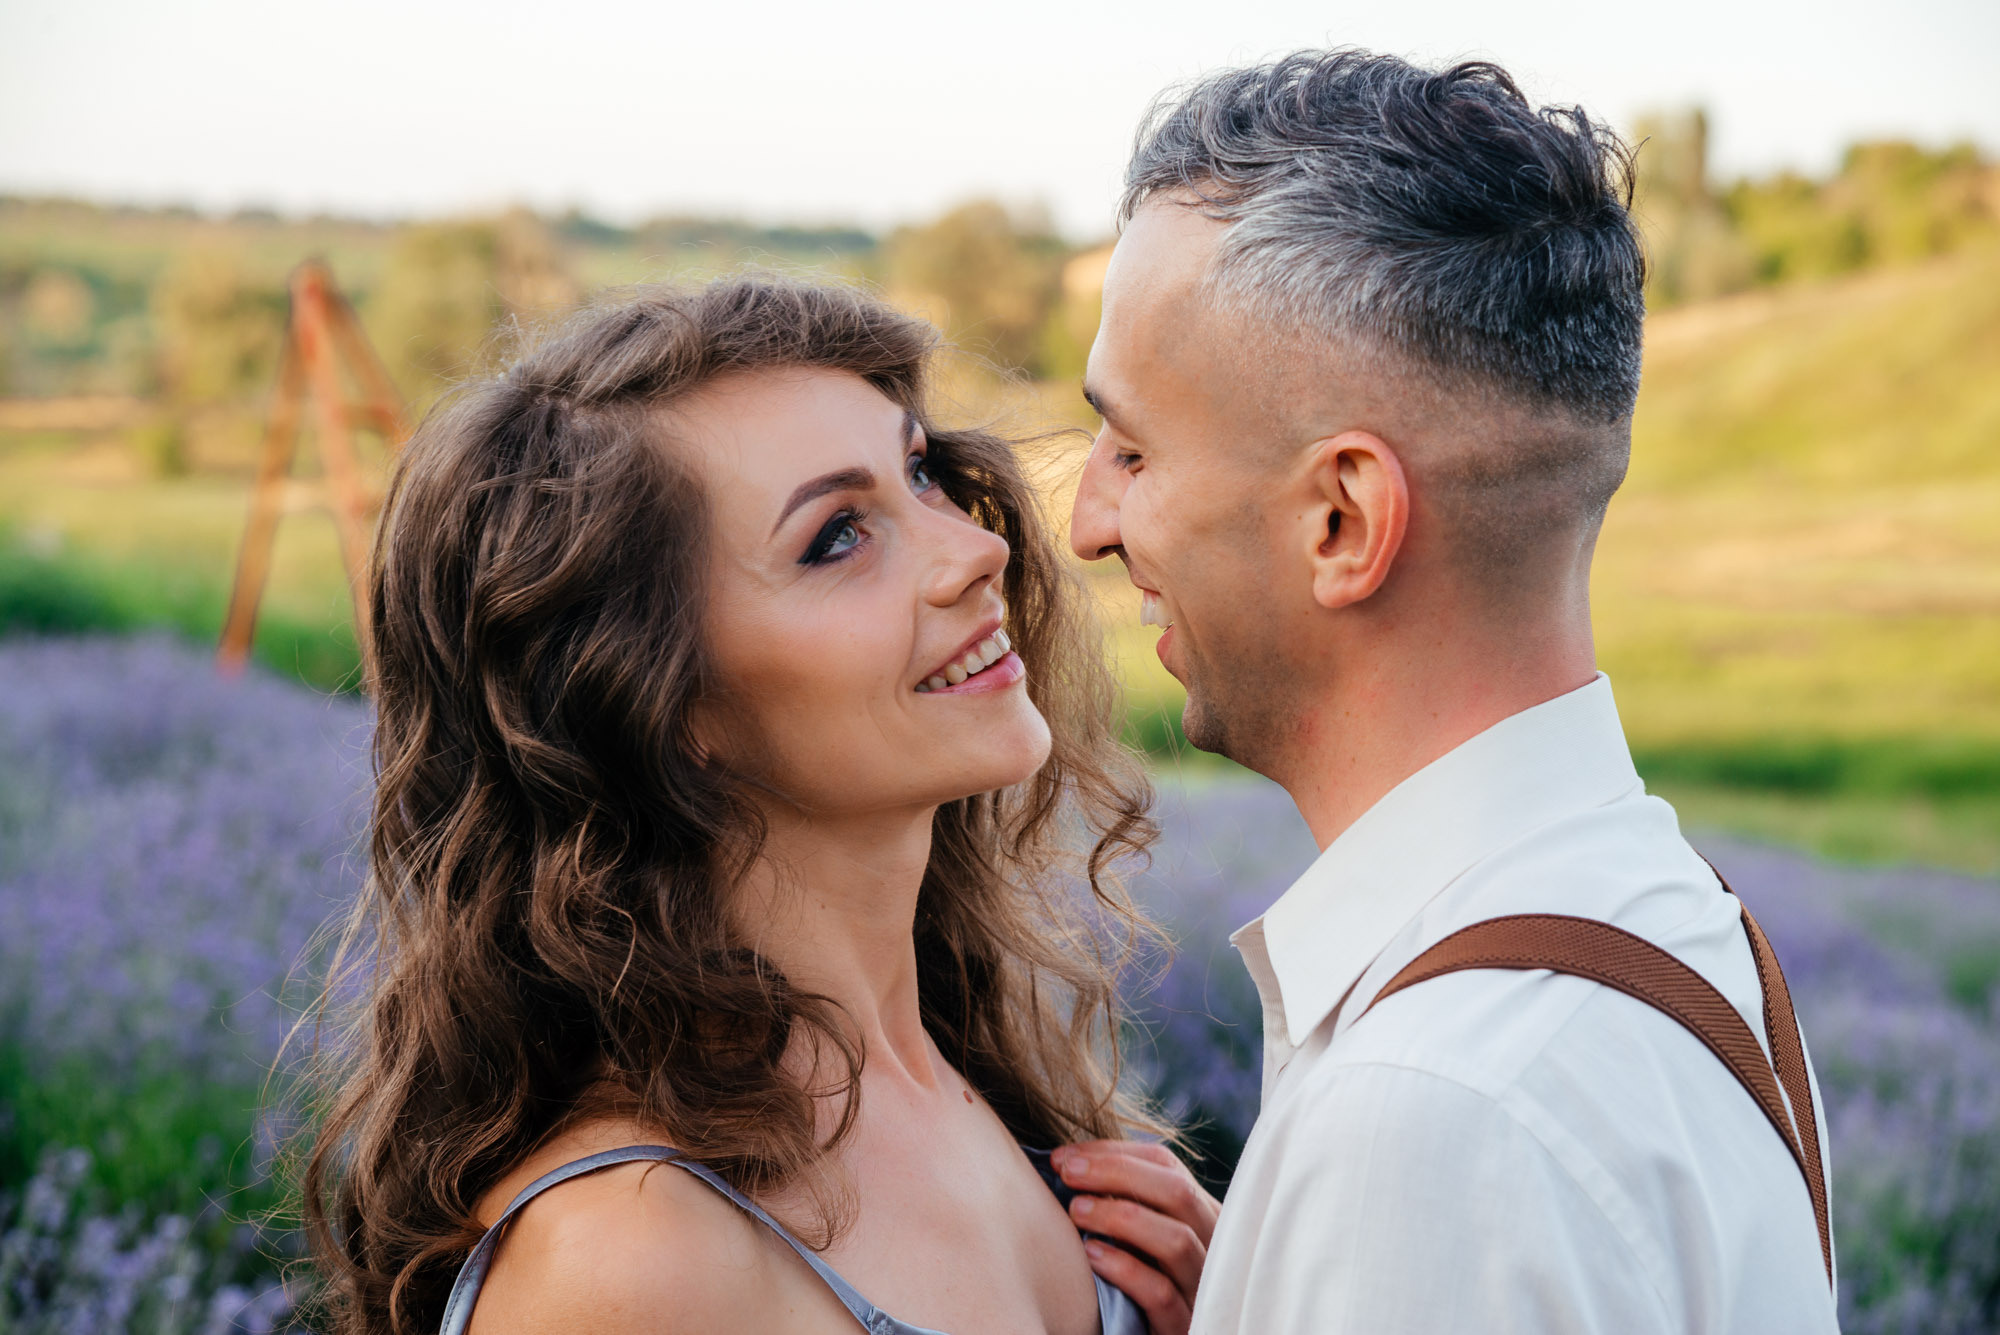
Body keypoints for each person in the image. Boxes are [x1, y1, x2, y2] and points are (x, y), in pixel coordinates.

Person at [1059, 50, 1840, 1332]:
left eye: (1133, 450)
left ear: (1340, 521)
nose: (1088, 523)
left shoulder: (1434, 1120)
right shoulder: (1679, 931)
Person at [301, 277, 1187, 1335]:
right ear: (656, 699)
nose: (977, 551)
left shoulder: (978, 1079)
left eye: (920, 474)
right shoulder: (632, 1257)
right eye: (837, 536)